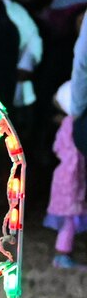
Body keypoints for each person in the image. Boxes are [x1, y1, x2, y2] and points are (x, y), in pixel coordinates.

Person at [46, 81, 87, 268]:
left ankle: (64, 253)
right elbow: (74, 153)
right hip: (71, 175)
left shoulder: (67, 123)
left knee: (69, 218)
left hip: (63, 174)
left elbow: (57, 148)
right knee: (70, 218)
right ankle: (62, 255)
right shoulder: (74, 125)